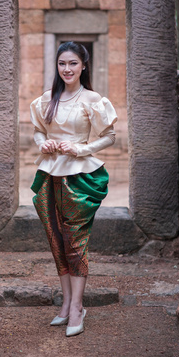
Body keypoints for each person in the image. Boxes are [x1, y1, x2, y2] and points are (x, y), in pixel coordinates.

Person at [30, 41, 117, 337]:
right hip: (50, 171)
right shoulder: (47, 99)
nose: (67, 69)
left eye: (72, 64)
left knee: (75, 241)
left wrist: (81, 148)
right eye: (62, 64)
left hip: (80, 175)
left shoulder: (93, 99)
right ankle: (66, 303)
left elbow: (109, 136)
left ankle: (78, 307)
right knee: (56, 239)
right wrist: (43, 143)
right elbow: (38, 130)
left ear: (83, 66)